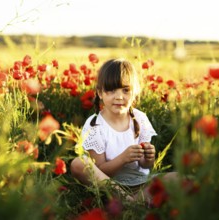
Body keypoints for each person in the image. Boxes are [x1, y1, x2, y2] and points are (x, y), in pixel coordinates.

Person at [70, 58, 175, 200]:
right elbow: (100, 171)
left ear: (135, 92)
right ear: (100, 93)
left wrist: (148, 158)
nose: (119, 97)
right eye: (111, 90)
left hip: (140, 183)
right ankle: (129, 201)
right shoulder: (95, 125)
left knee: (180, 178)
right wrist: (123, 159)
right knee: (79, 163)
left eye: (126, 90)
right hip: (110, 186)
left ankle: (135, 201)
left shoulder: (139, 118)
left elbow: (145, 166)